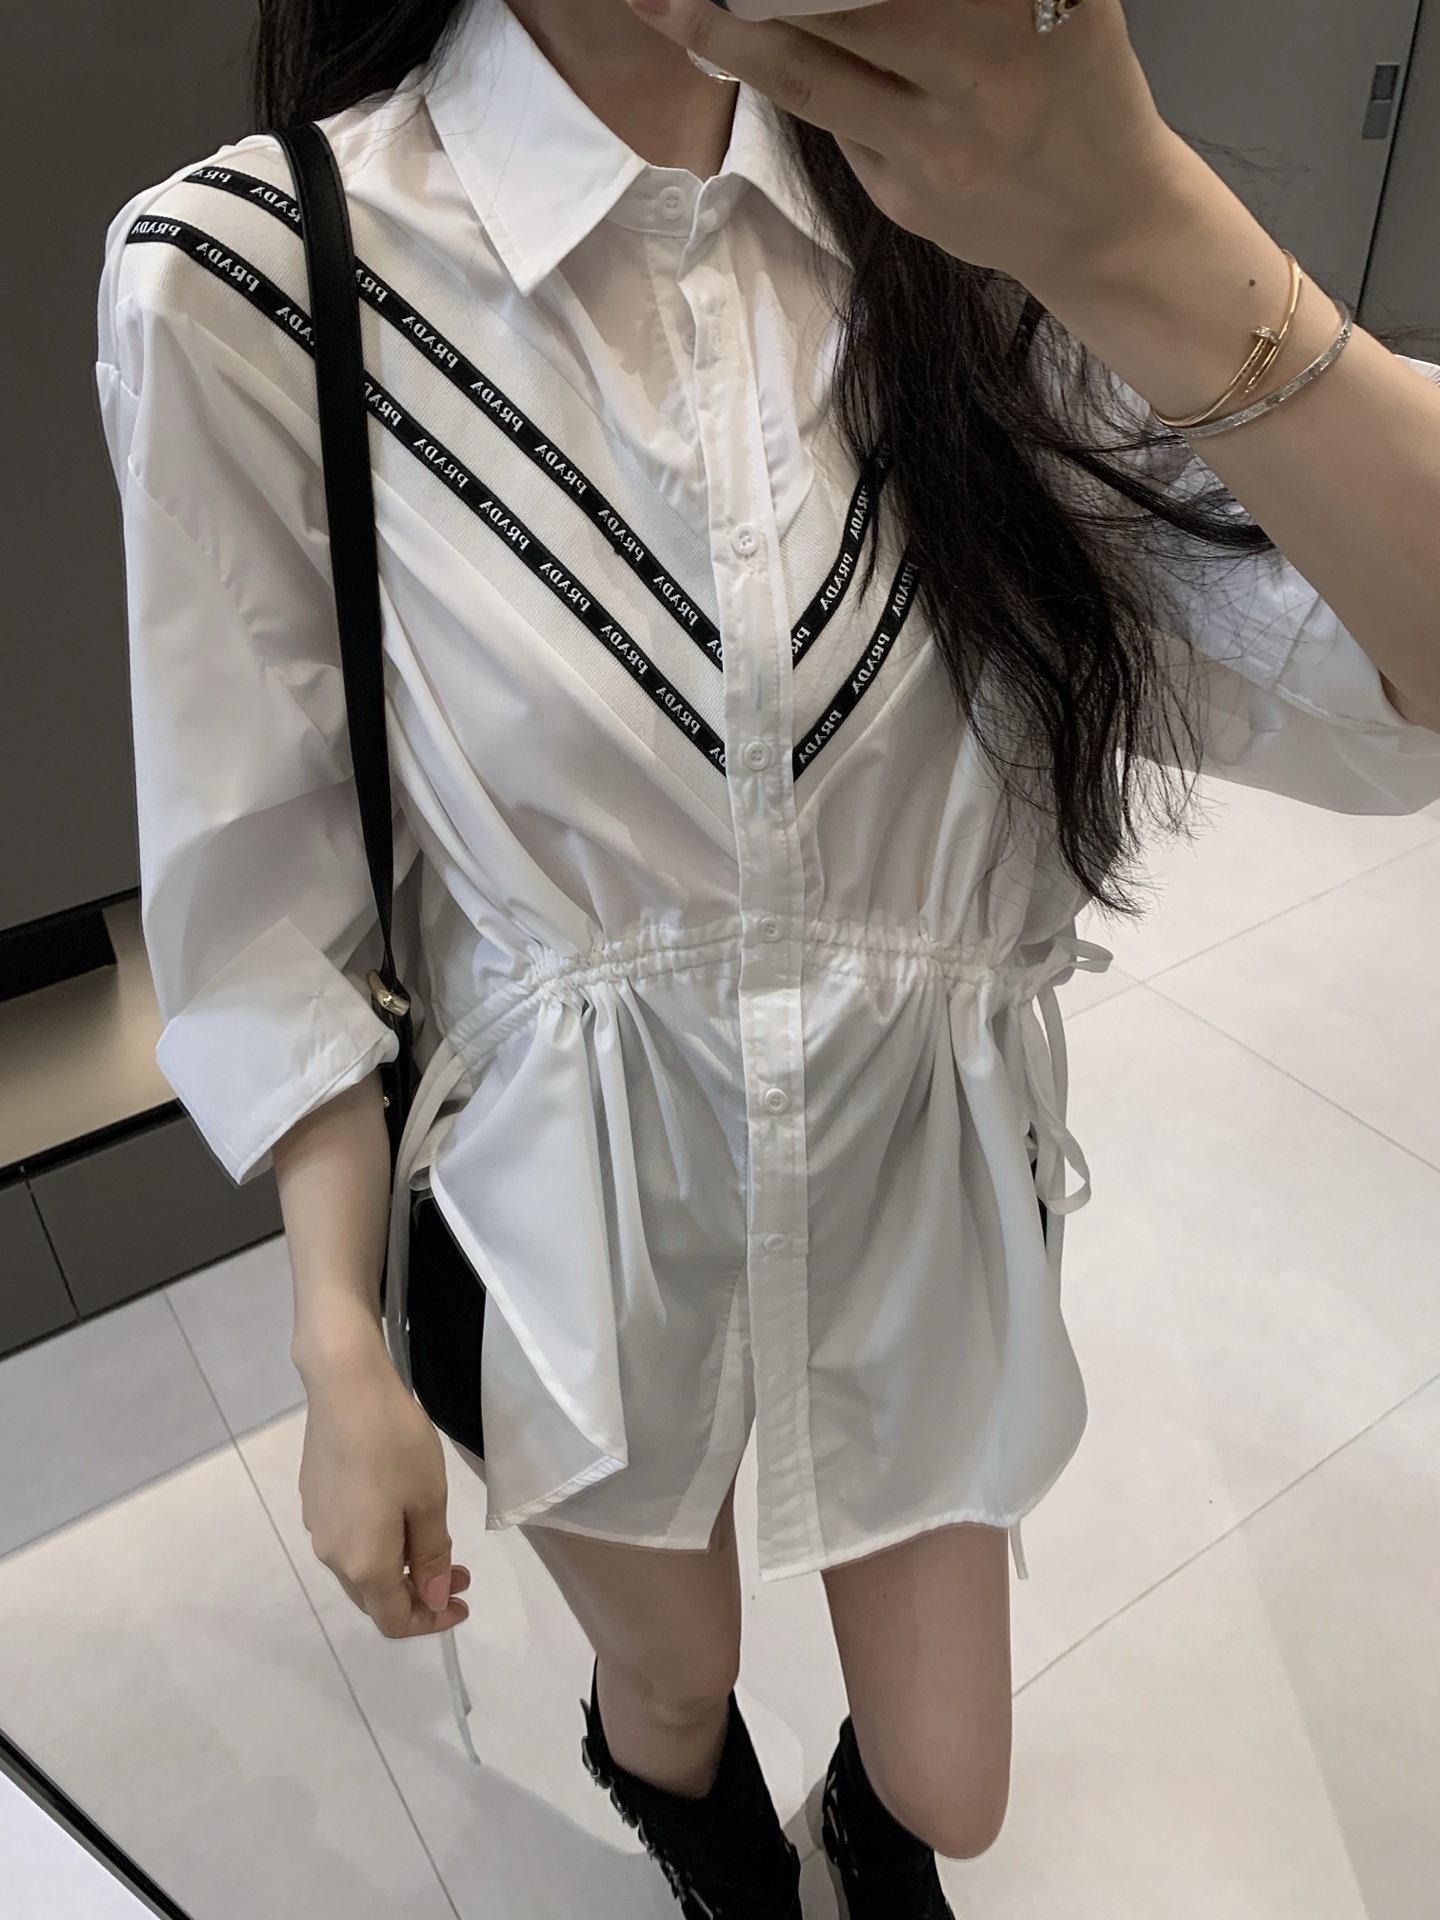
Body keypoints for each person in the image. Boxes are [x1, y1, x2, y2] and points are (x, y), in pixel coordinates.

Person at [97, 1, 1440, 1913]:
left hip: (913, 1177)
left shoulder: (979, 229)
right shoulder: (257, 273)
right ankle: (708, 1833)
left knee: (950, 1784)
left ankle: (846, 1838)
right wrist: (333, 1340)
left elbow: (1393, 672)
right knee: (676, 1674)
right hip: (565, 1209)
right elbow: (261, 877)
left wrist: (1132, 218)